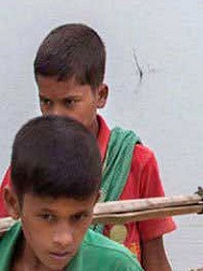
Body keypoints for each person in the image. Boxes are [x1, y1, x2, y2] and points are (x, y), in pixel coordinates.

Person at [0, 24, 175, 270]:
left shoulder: (135, 161)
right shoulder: (28, 167)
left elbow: (155, 255)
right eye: (46, 102)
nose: (56, 115)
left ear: (100, 95)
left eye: (69, 102)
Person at [0, 115, 142, 270]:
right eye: (47, 216)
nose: (64, 239)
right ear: (13, 203)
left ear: (95, 202)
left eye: (78, 216)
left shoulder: (118, 267)